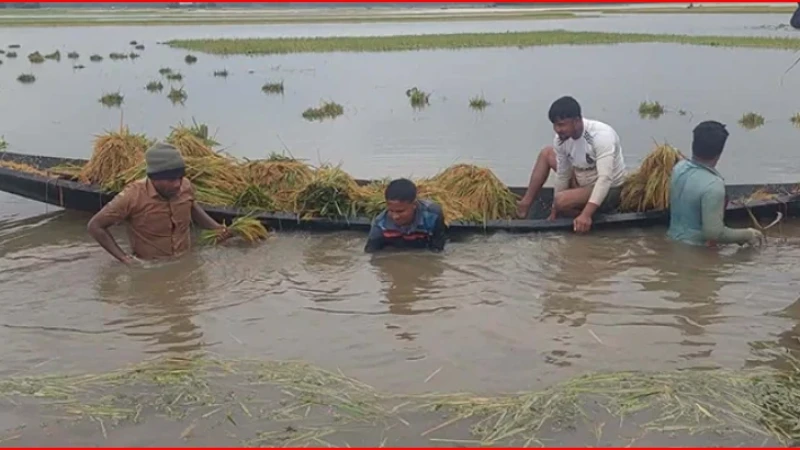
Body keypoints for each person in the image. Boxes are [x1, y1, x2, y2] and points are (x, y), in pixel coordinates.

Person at [87, 142, 232, 265]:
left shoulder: (186, 186)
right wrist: (124, 259)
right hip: (151, 266)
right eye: (170, 180)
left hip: (184, 262)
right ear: (154, 178)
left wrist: (217, 228)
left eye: (180, 178)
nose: (177, 185)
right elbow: (95, 226)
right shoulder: (132, 196)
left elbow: (192, 207)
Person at [516, 96, 627, 233]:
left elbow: (605, 179)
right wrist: (554, 210)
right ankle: (525, 203)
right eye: (555, 125)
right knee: (547, 154)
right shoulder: (561, 140)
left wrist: (586, 215)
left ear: (576, 121)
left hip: (609, 189)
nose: (557, 129)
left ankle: (588, 213)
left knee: (562, 200)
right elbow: (563, 175)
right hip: (581, 180)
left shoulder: (601, 136)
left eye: (562, 124)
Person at [666, 120, 762, 247]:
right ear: (720, 152)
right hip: (695, 250)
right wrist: (747, 234)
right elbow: (714, 233)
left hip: (671, 240)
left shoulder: (679, 168)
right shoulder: (713, 186)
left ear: (693, 144)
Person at [364, 178, 447, 253]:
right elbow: (371, 252)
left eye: (400, 211)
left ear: (414, 204)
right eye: (391, 210)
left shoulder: (432, 214)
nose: (395, 216)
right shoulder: (380, 223)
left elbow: (437, 248)